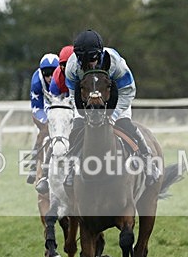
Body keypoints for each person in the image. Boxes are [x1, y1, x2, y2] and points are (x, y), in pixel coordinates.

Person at [63, 29, 160, 186]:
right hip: (88, 104)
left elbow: (128, 92)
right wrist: (84, 114)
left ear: (100, 53)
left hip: (117, 99)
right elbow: (74, 96)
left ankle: (147, 159)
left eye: (93, 58)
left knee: (125, 125)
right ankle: (71, 167)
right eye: (84, 59)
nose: (89, 63)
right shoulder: (72, 67)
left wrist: (113, 116)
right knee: (76, 129)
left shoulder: (115, 63)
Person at [26, 52, 60, 191]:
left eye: (53, 72)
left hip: (61, 109)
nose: (50, 77)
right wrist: (47, 122)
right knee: (44, 132)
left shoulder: (65, 78)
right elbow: (36, 108)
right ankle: (34, 166)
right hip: (43, 109)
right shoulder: (36, 81)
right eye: (46, 73)